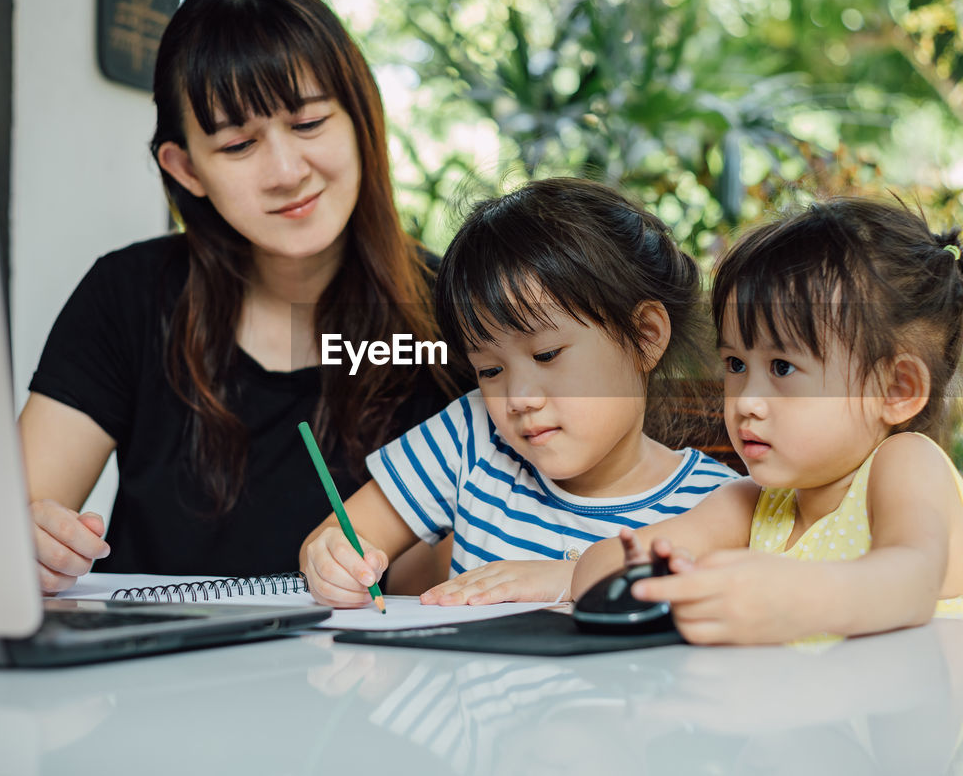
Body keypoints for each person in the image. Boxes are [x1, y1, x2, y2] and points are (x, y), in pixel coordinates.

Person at [22, 0, 459, 594]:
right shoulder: (128, 297)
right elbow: (17, 520)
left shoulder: (448, 318)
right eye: (237, 145)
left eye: (309, 123)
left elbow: (455, 570)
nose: (286, 170)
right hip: (147, 677)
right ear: (186, 168)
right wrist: (31, 543)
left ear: (362, 119)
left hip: (364, 680)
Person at [571, 196, 963, 644]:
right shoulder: (750, 504)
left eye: (782, 368)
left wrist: (795, 595)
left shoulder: (906, 463)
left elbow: (912, 583)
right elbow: (595, 572)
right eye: (735, 365)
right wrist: (651, 574)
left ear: (896, 391)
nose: (746, 402)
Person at [301, 178, 742, 607]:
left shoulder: (718, 505)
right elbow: (342, 534)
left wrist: (571, 581)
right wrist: (332, 562)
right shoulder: (472, 436)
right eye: (490, 370)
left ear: (646, 335)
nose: (519, 397)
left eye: (547, 355)